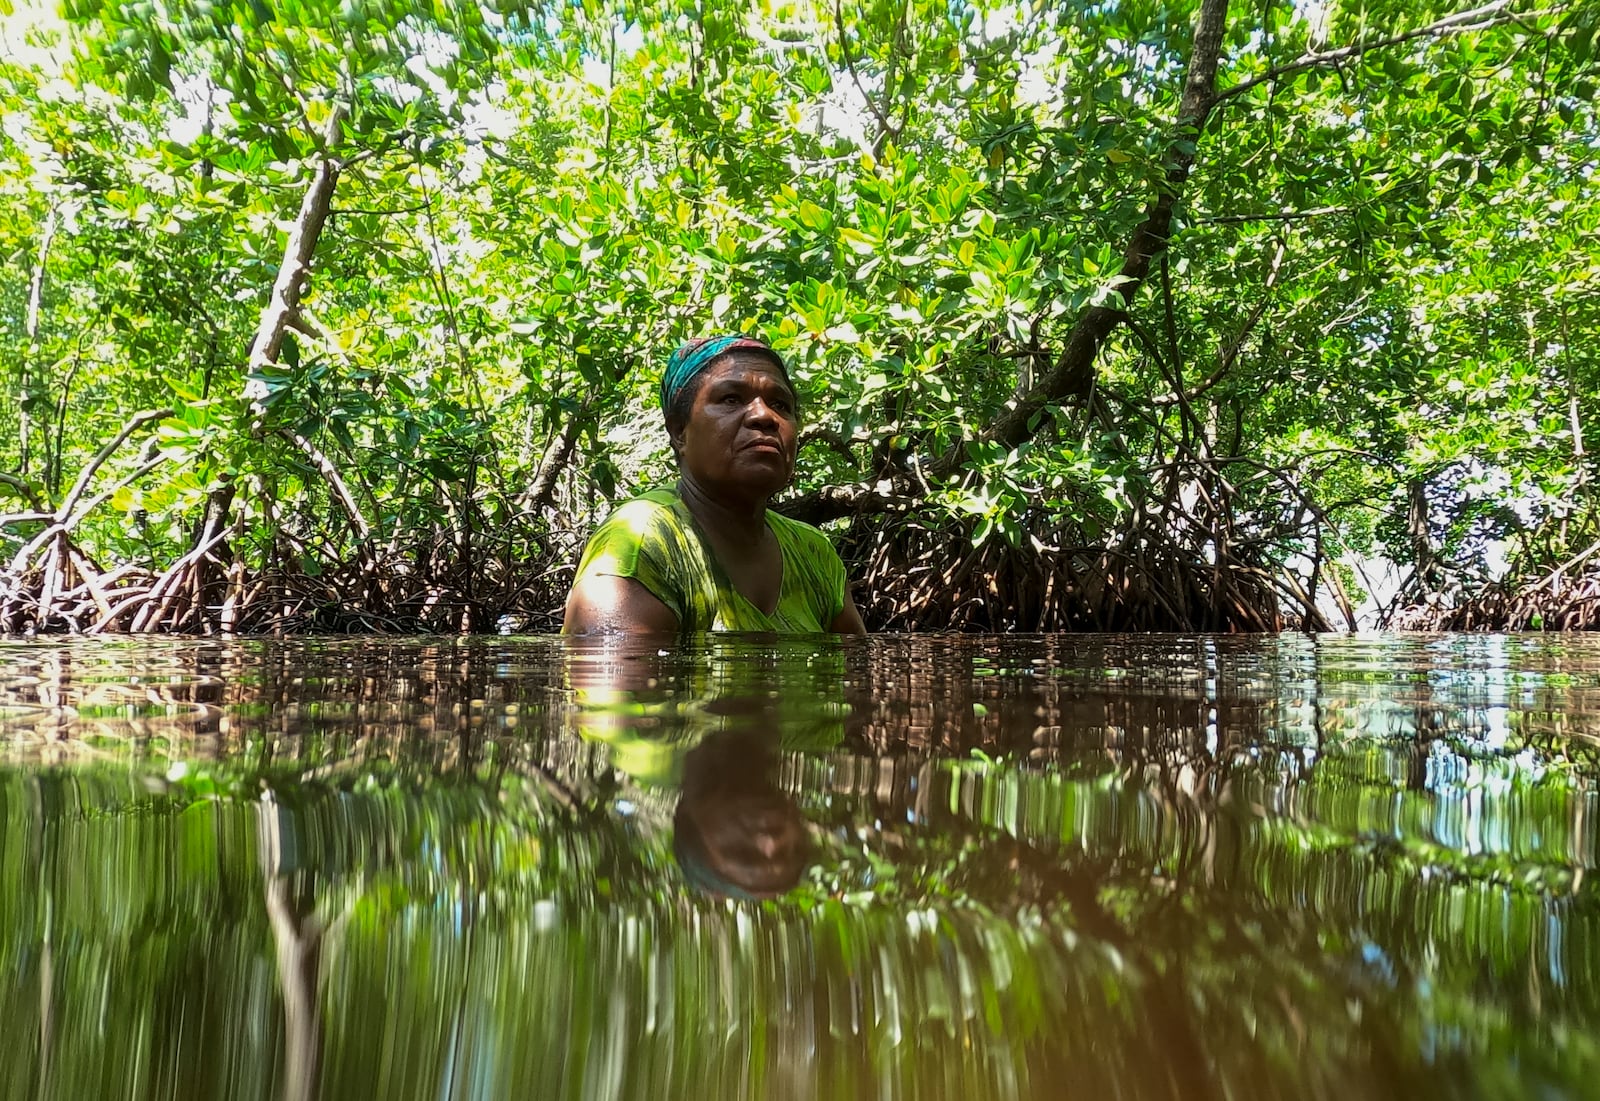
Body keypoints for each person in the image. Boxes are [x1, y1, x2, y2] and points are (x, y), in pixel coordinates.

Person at [563, 334, 867, 635]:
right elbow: (612, 680)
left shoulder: (814, 553)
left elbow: (858, 678)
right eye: (731, 399)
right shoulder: (640, 541)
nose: (765, 416)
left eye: (781, 404)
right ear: (680, 432)